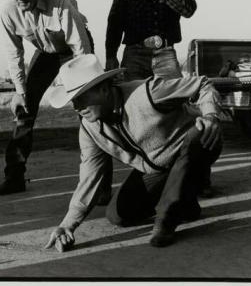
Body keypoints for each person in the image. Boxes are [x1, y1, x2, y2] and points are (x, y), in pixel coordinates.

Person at [44, 54, 222, 250]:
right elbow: (89, 176)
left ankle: (167, 217)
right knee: (118, 215)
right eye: (73, 101)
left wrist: (211, 116)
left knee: (198, 134)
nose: (77, 107)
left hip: (194, 147)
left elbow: (202, 84)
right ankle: (185, 200)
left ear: (104, 89)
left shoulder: (147, 93)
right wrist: (68, 225)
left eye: (81, 98)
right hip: (158, 168)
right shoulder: (89, 128)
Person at [0, 0, 93, 195]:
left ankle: (97, 182)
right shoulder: (8, 12)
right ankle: (14, 177)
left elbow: (80, 46)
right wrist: (20, 92)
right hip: (46, 52)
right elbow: (14, 55)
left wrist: (85, 84)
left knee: (89, 110)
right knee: (24, 109)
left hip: (75, 50)